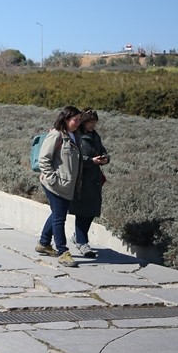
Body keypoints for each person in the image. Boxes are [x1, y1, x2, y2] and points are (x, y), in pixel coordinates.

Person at [36, 106, 83, 268]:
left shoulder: (75, 136)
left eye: (79, 119)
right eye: (75, 119)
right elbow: (44, 159)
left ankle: (44, 243)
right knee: (59, 217)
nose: (78, 122)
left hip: (67, 185)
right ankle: (63, 252)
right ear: (65, 119)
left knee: (57, 213)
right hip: (55, 184)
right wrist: (53, 179)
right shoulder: (56, 135)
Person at [71, 109, 110, 258]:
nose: (93, 125)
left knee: (91, 211)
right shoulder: (77, 136)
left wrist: (105, 158)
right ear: (84, 121)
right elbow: (76, 158)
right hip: (81, 179)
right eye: (90, 122)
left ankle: (79, 238)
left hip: (94, 180)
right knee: (82, 211)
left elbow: (102, 150)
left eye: (95, 122)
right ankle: (82, 242)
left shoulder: (95, 136)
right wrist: (90, 161)